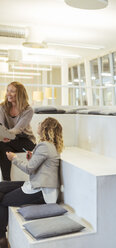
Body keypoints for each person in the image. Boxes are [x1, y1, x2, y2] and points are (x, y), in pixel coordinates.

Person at [0, 117, 63, 248]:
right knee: (1, 186)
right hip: (37, 186)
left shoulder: (44, 145)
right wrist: (32, 157)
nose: (38, 125)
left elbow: (29, 170)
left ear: (45, 128)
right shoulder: (49, 146)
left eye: (41, 123)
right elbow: (38, 168)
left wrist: (14, 158)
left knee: (3, 200)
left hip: (40, 191)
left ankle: (1, 238)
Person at [0, 81, 36, 181]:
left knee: (2, 146)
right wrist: (4, 136)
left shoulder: (28, 110)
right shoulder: (2, 107)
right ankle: (6, 180)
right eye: (7, 91)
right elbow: (1, 125)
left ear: (19, 94)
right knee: (2, 146)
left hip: (25, 140)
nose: (8, 94)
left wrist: (7, 136)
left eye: (12, 91)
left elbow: (18, 128)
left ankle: (6, 181)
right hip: (8, 138)